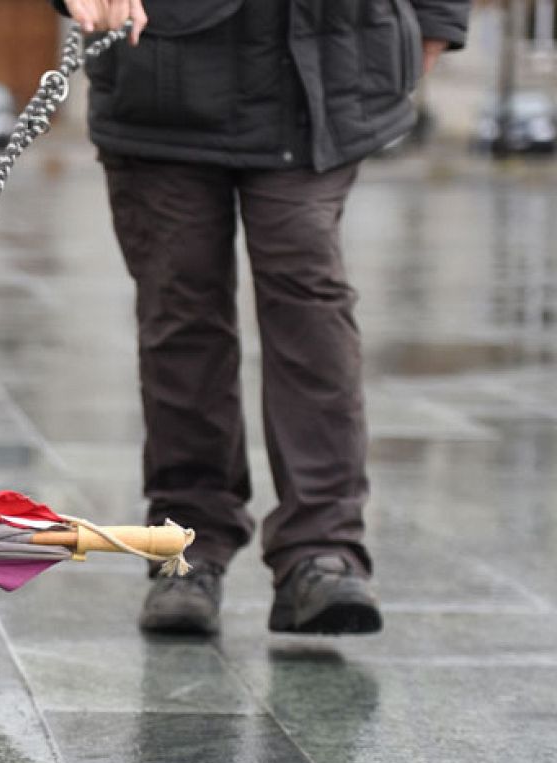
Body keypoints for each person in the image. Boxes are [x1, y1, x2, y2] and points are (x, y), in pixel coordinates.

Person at [53, 0, 472, 635]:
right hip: (160, 81)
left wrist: (434, 25)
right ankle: (184, 549)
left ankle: (322, 551)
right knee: (179, 312)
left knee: (309, 302)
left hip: (318, 74)